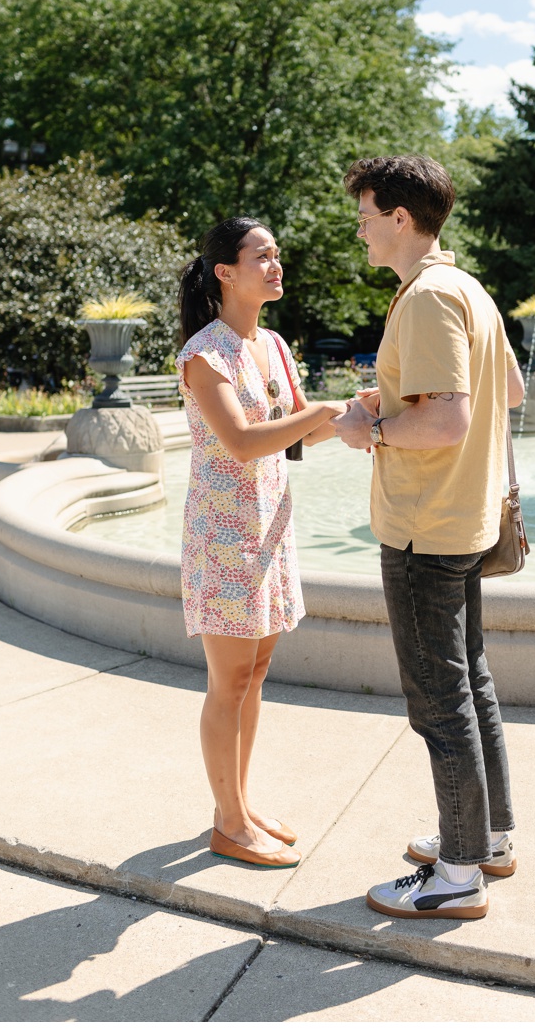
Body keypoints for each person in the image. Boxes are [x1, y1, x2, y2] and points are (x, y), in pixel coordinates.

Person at [330, 155, 527, 920]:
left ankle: (456, 873)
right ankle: (488, 837)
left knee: (440, 704)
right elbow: (504, 390)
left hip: (424, 528)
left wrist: (368, 426)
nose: (362, 226)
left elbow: (448, 418)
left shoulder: (426, 298)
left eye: (368, 213)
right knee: (470, 686)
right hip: (463, 519)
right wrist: (399, 395)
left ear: (401, 219)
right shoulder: (467, 287)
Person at [177, 217, 348, 868]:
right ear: (226, 271)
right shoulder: (204, 354)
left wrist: (363, 413)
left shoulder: (273, 345)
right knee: (228, 681)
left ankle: (242, 804)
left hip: (269, 529)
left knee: (255, 673)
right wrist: (327, 413)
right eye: (263, 255)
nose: (277, 264)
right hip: (223, 538)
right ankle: (228, 821)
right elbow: (246, 440)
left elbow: (297, 435)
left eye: (278, 254)